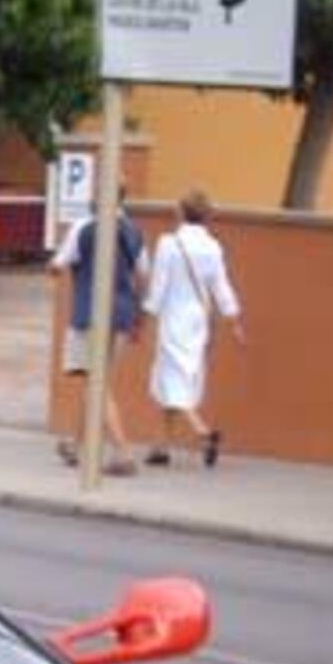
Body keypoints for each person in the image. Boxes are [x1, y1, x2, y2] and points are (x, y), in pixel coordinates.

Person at [49, 207, 150, 474]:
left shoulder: (83, 227)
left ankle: (123, 453)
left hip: (90, 313)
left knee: (96, 384)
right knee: (99, 381)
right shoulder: (133, 230)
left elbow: (57, 266)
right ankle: (74, 443)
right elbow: (142, 275)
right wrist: (139, 315)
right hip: (123, 314)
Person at [146, 190, 243, 469]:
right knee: (178, 376)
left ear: (181, 212)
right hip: (198, 320)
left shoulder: (169, 243)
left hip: (173, 317)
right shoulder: (213, 247)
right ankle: (160, 447)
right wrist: (233, 318)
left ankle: (203, 432)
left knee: (172, 378)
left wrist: (147, 312)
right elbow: (221, 287)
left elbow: (159, 284)